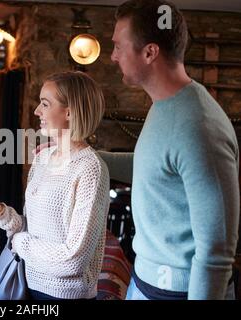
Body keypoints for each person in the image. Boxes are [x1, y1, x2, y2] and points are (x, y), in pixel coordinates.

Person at [100, 0, 239, 299]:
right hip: (145, 284)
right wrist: (84, 157)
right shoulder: (165, 106)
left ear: (150, 52)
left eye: (118, 46)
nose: (113, 56)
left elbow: (216, 251)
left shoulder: (199, 126)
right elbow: (154, 167)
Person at [0, 71, 110, 300]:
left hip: (63, 295)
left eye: (45, 104)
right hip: (26, 283)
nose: (37, 111)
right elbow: (29, 230)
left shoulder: (90, 169)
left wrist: (18, 243)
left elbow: (73, 260)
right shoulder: (42, 158)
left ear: (69, 111)